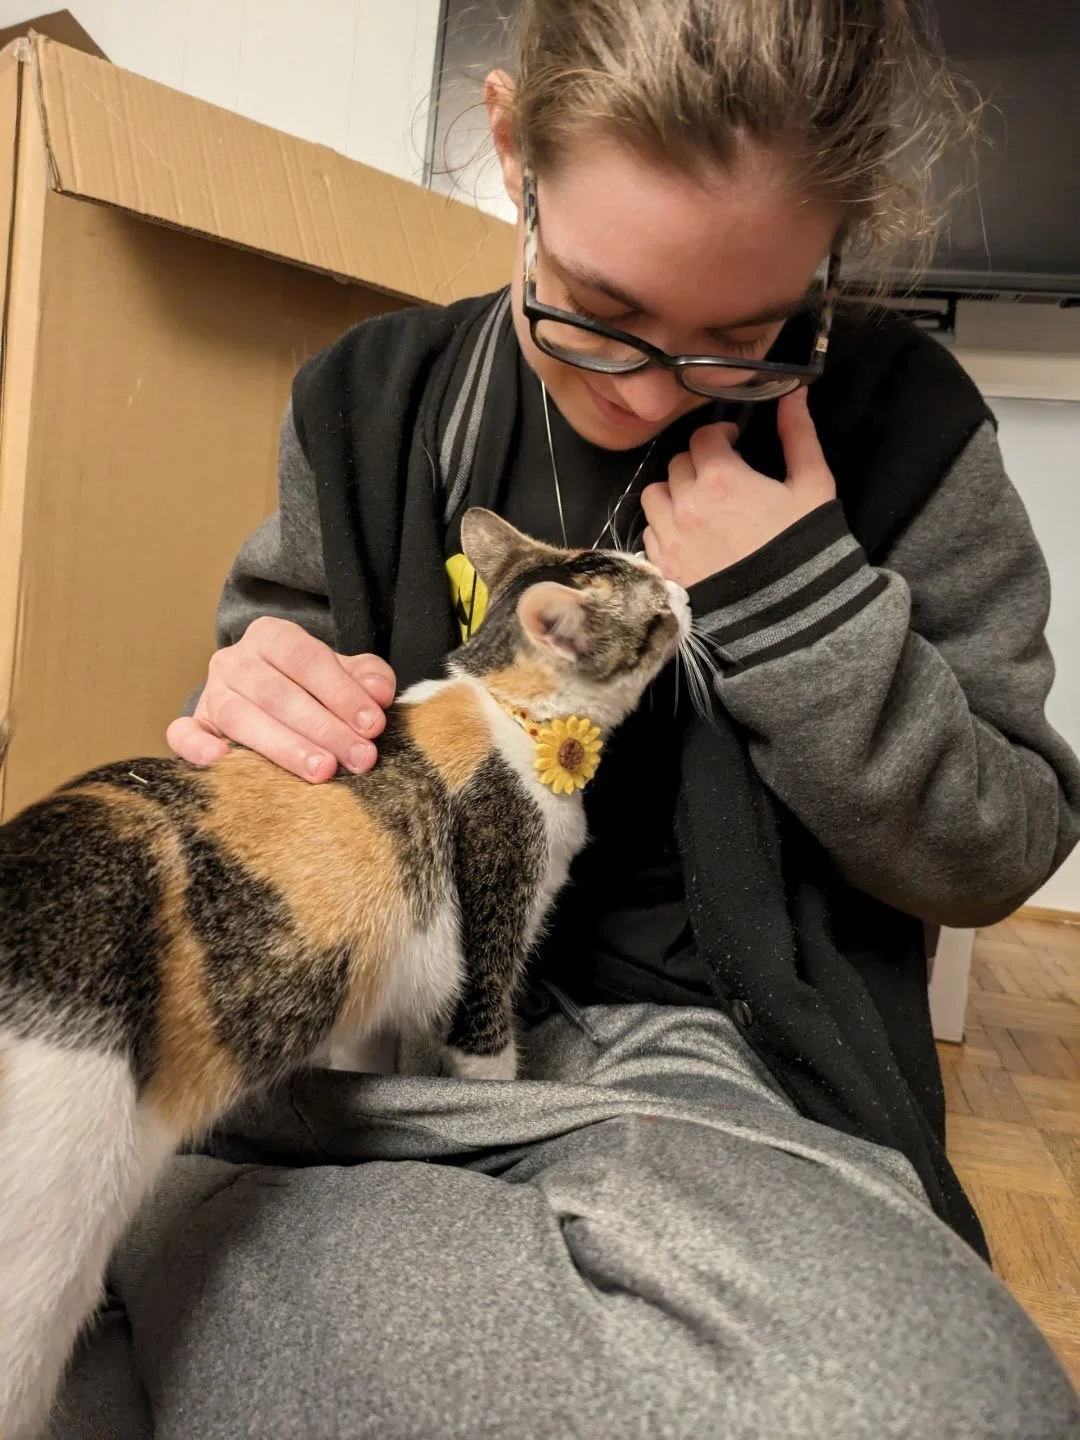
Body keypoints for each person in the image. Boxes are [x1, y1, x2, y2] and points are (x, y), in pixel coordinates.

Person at [52, 1, 1080, 1435]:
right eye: (596, 315)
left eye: (745, 339)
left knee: (955, 1405)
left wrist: (805, 605)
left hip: (691, 1084)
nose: (648, 391)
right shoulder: (370, 396)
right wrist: (253, 695)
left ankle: (152, 1308)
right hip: (348, 1047)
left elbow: (999, 848)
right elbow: (263, 679)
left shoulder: (914, 429)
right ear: (509, 149)